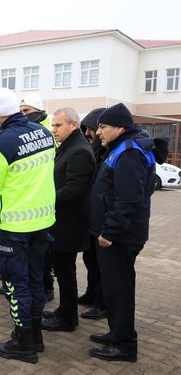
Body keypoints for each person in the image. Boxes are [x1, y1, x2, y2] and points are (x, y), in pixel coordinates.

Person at [0, 88, 56, 364]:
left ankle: (24, 342)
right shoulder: (44, 133)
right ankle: (36, 336)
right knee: (35, 279)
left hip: (14, 226)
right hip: (43, 221)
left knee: (15, 284)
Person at [89, 103, 167, 362]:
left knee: (119, 289)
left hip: (120, 237)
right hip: (119, 233)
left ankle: (123, 346)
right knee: (114, 289)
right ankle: (117, 333)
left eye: (103, 127)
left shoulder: (130, 152)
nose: (98, 132)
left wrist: (109, 232)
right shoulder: (122, 147)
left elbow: (129, 199)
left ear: (120, 128)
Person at [41, 108, 95, 332]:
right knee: (63, 270)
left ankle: (67, 317)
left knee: (65, 272)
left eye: (58, 125)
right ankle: (64, 311)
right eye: (53, 125)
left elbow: (74, 190)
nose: (53, 129)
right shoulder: (69, 146)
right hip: (62, 222)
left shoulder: (80, 150)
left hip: (69, 224)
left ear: (73, 125)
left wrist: (44, 200)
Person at [20, 93, 54, 302]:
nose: (23, 115)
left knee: (45, 254)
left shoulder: (48, 130)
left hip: (46, 199)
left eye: (26, 111)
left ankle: (46, 288)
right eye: (21, 111)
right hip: (32, 201)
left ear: (38, 111)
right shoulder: (31, 129)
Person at [78, 108, 108, 320]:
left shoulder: (108, 152)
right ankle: (91, 292)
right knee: (90, 257)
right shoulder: (96, 151)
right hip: (91, 216)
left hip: (103, 220)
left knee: (101, 263)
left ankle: (102, 302)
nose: (89, 134)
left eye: (91, 129)